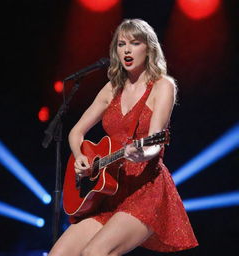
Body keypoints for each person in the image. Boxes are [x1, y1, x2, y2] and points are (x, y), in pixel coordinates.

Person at [48, 18, 198, 256]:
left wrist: (140, 154)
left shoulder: (163, 86)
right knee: (58, 253)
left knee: (95, 253)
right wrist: (79, 158)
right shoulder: (111, 89)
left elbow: (155, 141)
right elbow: (76, 132)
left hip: (145, 190)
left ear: (148, 48)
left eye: (135, 43)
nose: (126, 49)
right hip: (108, 193)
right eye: (121, 44)